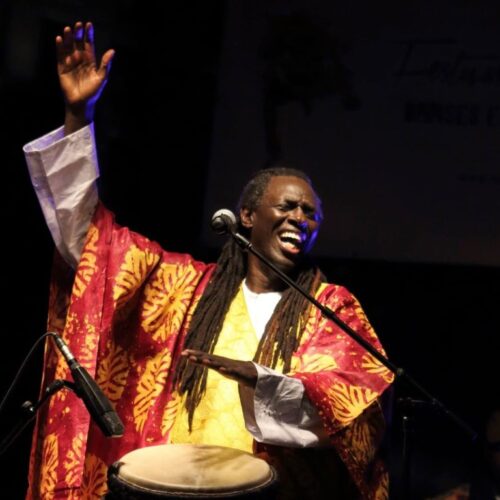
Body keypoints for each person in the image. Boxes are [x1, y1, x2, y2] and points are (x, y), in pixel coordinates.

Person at [23, 21, 394, 499]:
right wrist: (79, 117)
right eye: (287, 207)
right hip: (174, 486)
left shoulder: (331, 308)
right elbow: (92, 244)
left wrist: (262, 381)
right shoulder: (181, 288)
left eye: (311, 213)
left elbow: (357, 406)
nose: (300, 218)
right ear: (246, 215)